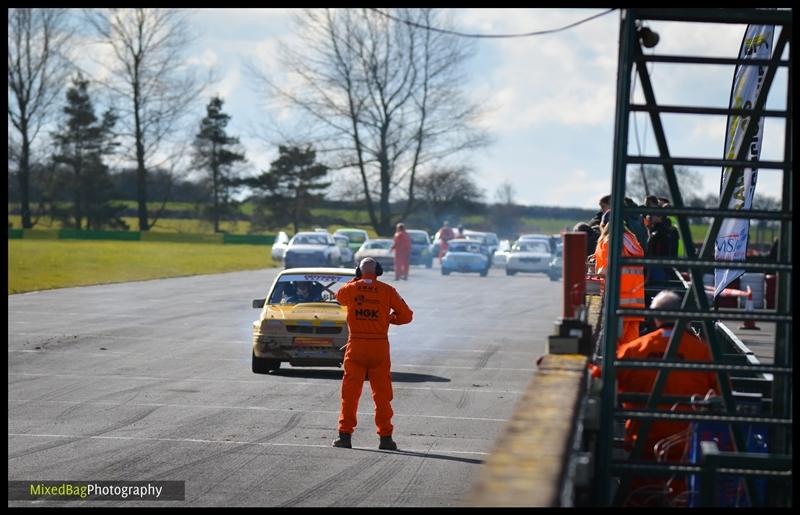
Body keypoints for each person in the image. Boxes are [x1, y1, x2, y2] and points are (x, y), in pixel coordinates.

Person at [333, 257, 413, 450]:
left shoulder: (350, 289)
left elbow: (338, 297)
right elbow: (406, 316)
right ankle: (386, 438)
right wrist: (388, 318)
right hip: (379, 348)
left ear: (358, 272)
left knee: (350, 395)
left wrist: (356, 280)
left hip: (356, 346)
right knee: (382, 395)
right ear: (378, 271)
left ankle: (345, 436)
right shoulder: (388, 290)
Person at [592, 210, 645, 346]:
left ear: (604, 224)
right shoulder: (631, 240)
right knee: (631, 346)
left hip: (618, 301)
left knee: (615, 347)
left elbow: (607, 268)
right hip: (636, 303)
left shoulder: (609, 241)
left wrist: (596, 272)